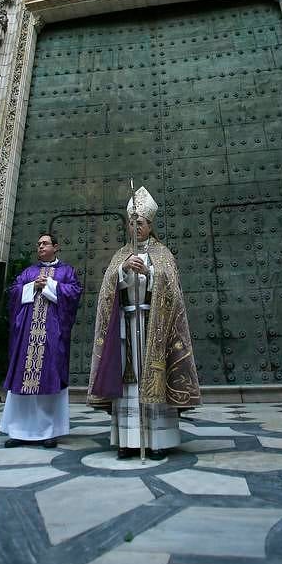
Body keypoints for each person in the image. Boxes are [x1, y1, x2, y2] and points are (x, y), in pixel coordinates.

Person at [88, 186, 200, 459]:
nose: (134, 226)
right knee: (129, 382)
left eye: (139, 223)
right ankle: (128, 441)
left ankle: (157, 441)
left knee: (152, 379)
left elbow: (171, 289)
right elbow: (106, 291)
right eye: (131, 222)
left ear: (149, 225)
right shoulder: (121, 255)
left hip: (153, 326)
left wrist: (149, 271)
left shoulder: (162, 254)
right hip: (127, 325)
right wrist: (123, 272)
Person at [0, 233, 82, 448]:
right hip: (27, 335)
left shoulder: (66, 271)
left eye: (45, 243)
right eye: (38, 244)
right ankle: (18, 430)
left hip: (51, 334)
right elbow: (14, 292)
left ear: (56, 247)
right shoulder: (29, 272)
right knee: (23, 377)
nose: (40, 247)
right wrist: (31, 286)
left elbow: (74, 293)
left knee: (48, 376)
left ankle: (49, 431)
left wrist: (51, 285)